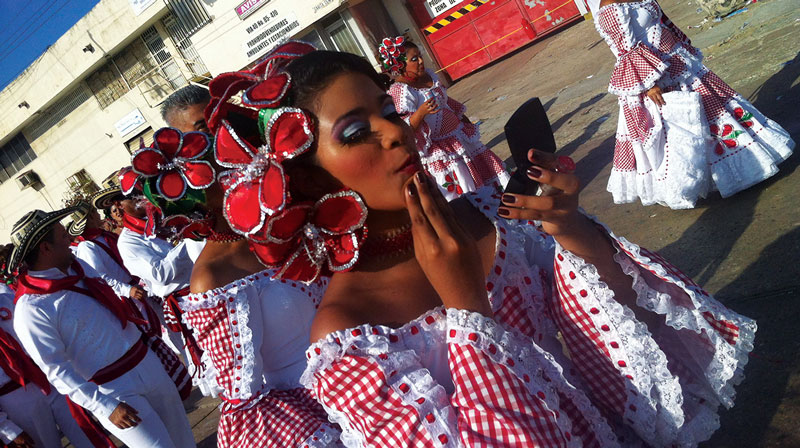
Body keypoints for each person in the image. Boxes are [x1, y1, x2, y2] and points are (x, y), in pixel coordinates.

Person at [219, 49, 755, 446]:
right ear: (308, 182)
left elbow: (626, 324)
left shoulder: (487, 210)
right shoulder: (347, 337)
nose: (396, 132)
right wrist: (466, 308)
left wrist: (570, 230)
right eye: (356, 131)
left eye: (387, 109)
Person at [125, 43, 343, 447]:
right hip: (326, 415)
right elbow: (249, 402)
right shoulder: (213, 276)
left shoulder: (288, 201)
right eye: (198, 136)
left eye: (218, 122)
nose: (216, 142)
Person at [7, 208, 196, 447]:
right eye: (62, 233)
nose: (69, 237)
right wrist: (104, 406)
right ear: (45, 248)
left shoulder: (79, 268)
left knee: (184, 441)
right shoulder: (31, 308)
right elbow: (56, 369)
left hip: (146, 363)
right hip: (114, 391)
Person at [590, 0, 794, 209]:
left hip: (679, 63)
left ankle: (741, 170)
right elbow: (623, 50)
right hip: (656, 78)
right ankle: (688, 183)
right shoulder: (610, 6)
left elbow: (662, 23)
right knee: (681, 133)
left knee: (711, 115)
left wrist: (683, 48)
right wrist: (648, 84)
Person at [114, 173, 213, 395]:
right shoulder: (128, 242)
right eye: (133, 196)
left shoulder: (161, 220)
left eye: (142, 192)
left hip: (204, 289)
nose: (141, 199)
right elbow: (160, 274)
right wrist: (187, 240)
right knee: (208, 359)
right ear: (121, 205)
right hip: (183, 304)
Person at [381, 36, 510, 200]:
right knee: (466, 187)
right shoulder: (400, 91)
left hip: (459, 137)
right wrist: (420, 113)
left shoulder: (428, 77)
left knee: (485, 175)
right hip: (441, 151)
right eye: (414, 59)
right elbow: (403, 130)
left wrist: (463, 120)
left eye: (420, 56)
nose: (421, 61)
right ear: (399, 66)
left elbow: (446, 102)